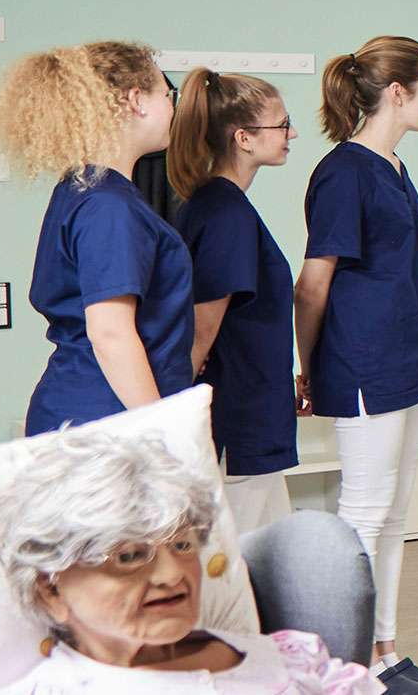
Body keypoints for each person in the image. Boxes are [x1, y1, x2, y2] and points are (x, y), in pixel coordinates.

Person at [294, 36, 418, 693]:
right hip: (365, 364)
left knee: (394, 510)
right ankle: (345, 666)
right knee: (362, 512)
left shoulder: (392, 167)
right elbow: (311, 285)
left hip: (411, 362)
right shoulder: (342, 173)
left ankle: (384, 651)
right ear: (399, 93)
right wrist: (309, 366)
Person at [0, 432, 382, 694]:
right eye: (130, 556)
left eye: (182, 546)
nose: (171, 575)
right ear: (51, 588)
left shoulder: (289, 657)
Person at [0, 42, 195, 436]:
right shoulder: (109, 206)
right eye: (168, 95)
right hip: (106, 420)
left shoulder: (83, 188)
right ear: (137, 100)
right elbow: (111, 333)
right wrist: (162, 432)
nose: (173, 108)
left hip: (89, 411)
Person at [167, 67, 302, 533]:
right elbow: (202, 329)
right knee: (232, 561)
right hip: (239, 415)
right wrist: (172, 417)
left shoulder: (215, 205)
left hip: (255, 406)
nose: (292, 133)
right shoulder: (226, 215)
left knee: (274, 556)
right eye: (281, 124)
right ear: (244, 137)